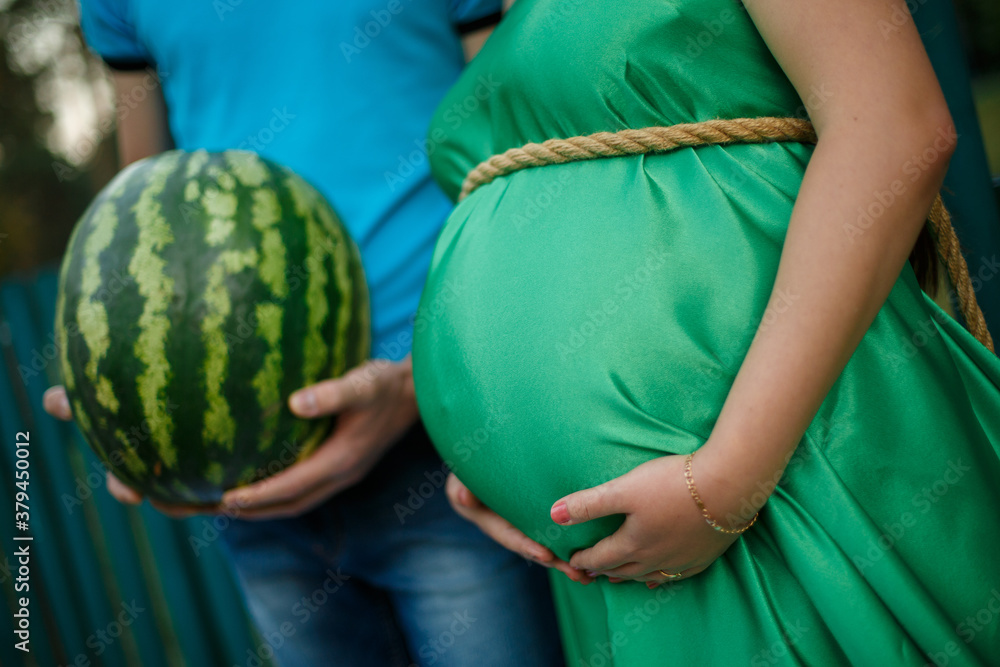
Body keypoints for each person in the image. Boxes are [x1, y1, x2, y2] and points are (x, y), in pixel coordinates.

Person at [411, 0, 1000, 664]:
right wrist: (489, 443)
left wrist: (725, 480)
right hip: (617, 562)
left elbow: (894, 126)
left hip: (787, 480)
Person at [43, 1, 566, 665]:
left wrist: (422, 378)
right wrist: (114, 373)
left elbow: (520, 146)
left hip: (449, 435)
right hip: (252, 480)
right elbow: (144, 202)